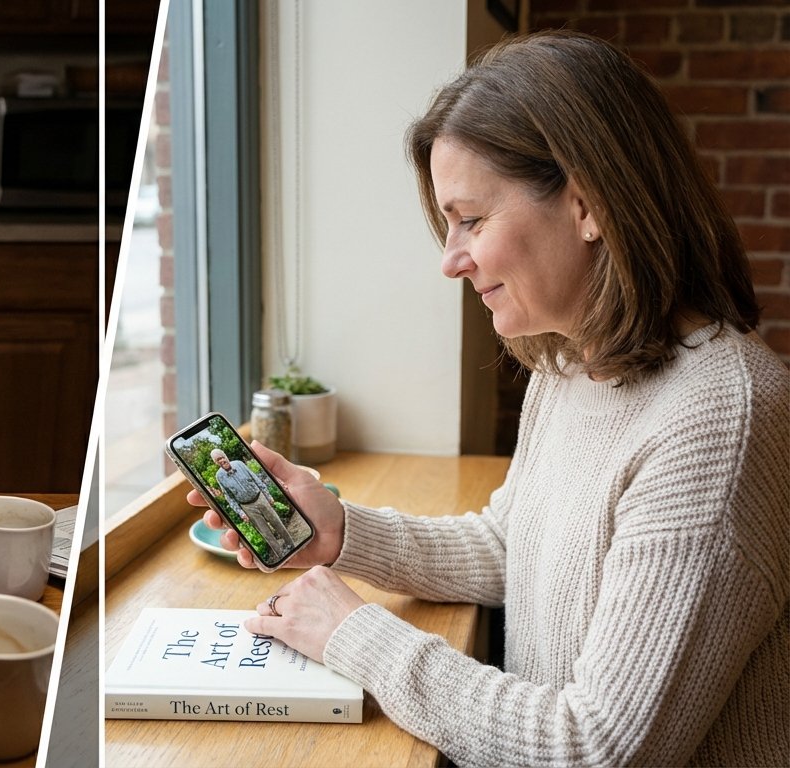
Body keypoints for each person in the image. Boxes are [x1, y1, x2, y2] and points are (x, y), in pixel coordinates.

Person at [195, 30, 789, 766]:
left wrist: (353, 633)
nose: (451, 260)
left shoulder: (719, 420)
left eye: (471, 219)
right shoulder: (572, 363)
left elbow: (595, 747)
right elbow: (516, 548)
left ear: (588, 205)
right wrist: (342, 533)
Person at [209, 448, 295, 558]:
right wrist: (241, 513)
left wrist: (268, 495)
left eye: (222, 457)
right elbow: (229, 497)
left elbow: (256, 478)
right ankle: (280, 554)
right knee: (265, 532)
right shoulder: (219, 476)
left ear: (226, 456)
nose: (221, 461)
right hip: (247, 507)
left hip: (260, 497)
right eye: (217, 460)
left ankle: (290, 544)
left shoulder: (239, 464)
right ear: (216, 463)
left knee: (276, 521)